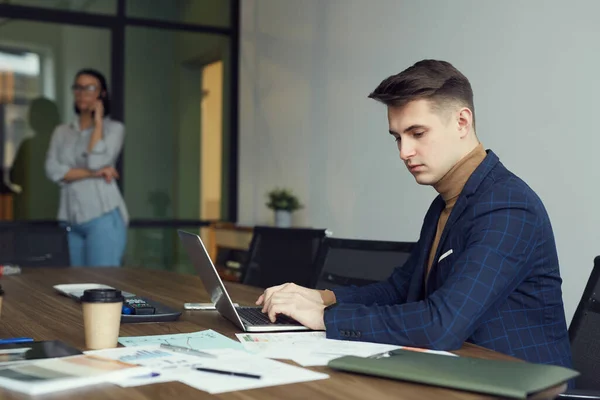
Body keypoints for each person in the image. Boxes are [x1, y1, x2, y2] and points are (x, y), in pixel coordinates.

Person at [256, 60, 572, 369]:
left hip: (520, 384)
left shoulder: (508, 206)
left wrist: (325, 318)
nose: (404, 151)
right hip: (459, 371)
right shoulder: (447, 202)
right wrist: (321, 298)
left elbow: (441, 324)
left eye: (417, 133)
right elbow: (400, 290)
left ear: (462, 122)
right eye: (397, 137)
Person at [45, 68, 128, 267]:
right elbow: (52, 169)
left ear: (102, 93)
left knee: (103, 286)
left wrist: (98, 122)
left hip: (103, 217)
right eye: (78, 87)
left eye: (90, 88)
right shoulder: (62, 132)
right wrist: (94, 174)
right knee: (76, 288)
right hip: (71, 220)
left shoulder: (114, 129)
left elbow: (96, 161)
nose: (83, 93)